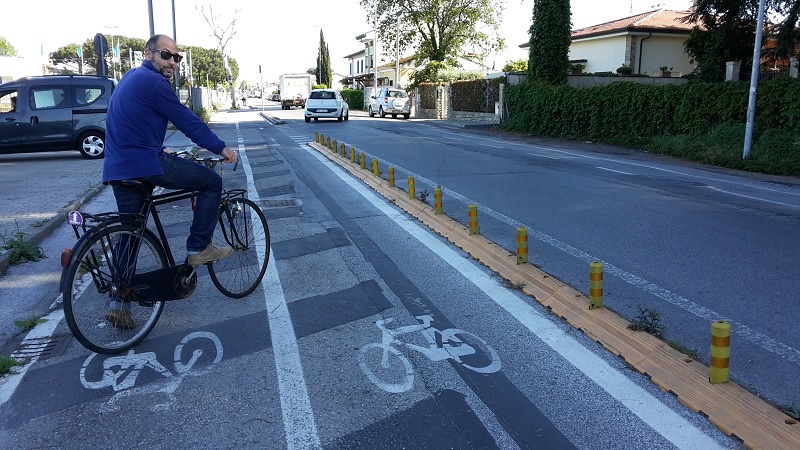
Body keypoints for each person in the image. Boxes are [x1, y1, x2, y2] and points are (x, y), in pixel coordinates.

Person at [102, 34, 238, 329]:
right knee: (211, 182)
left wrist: (156, 145)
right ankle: (198, 247)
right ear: (148, 53)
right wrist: (222, 149)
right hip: (144, 163)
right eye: (167, 55)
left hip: (118, 168)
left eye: (177, 58)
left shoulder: (130, 78)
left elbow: (128, 122)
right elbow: (188, 121)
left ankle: (119, 304)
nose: (173, 62)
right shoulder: (154, 83)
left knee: (130, 233)